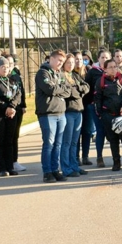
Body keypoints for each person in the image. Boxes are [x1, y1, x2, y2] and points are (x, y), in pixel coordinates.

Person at [36, 49, 72, 183]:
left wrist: (59, 89)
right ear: (51, 59)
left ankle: (55, 169)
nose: (60, 63)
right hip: (48, 113)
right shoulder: (42, 73)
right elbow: (49, 89)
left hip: (61, 113)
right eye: (58, 60)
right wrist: (60, 89)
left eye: (62, 61)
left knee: (58, 144)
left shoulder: (60, 74)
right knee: (49, 144)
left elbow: (68, 90)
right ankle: (47, 172)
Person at [61, 55, 91, 178]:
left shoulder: (75, 75)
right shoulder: (62, 75)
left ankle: (74, 165)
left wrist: (77, 88)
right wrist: (78, 91)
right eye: (69, 62)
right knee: (67, 142)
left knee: (74, 142)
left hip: (79, 111)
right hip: (68, 111)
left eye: (73, 62)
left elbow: (87, 87)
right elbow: (68, 92)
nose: (71, 64)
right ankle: (66, 167)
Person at [85, 50, 110, 167]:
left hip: (111, 106)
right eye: (102, 57)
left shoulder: (113, 71)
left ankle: (116, 157)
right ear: (98, 59)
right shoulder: (92, 72)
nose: (104, 59)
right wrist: (90, 102)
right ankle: (99, 157)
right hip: (96, 106)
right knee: (100, 131)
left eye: (106, 57)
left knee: (111, 131)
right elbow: (87, 88)